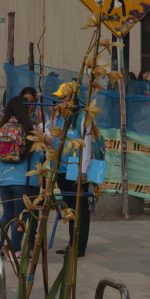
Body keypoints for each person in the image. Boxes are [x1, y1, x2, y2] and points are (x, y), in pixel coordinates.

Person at [0, 92, 39, 253]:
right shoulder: (30, 129)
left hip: (3, 178)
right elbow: (39, 153)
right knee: (20, 216)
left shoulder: (2, 127)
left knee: (7, 214)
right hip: (22, 180)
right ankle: (15, 249)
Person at [50, 81, 99, 257]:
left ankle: (79, 246)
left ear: (73, 97)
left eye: (64, 97)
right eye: (59, 98)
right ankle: (71, 243)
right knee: (69, 208)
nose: (61, 101)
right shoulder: (59, 116)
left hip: (77, 170)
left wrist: (83, 170)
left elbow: (86, 144)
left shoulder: (82, 117)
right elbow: (51, 137)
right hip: (62, 169)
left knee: (80, 209)